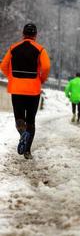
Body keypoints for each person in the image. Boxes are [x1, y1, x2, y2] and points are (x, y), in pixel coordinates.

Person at [0, 23, 51, 159]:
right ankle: (27, 151)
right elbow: (46, 66)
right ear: (35, 35)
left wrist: (11, 77)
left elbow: (3, 65)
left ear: (23, 34)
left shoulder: (13, 48)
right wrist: (41, 79)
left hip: (16, 89)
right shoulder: (40, 49)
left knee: (19, 119)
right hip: (33, 90)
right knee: (31, 121)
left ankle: (23, 134)